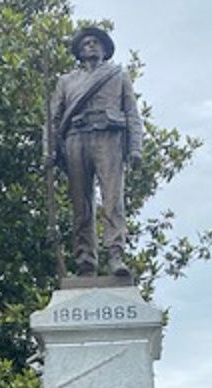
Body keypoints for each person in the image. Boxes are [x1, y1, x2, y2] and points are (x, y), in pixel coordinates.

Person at [47, 26, 143, 278]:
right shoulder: (66, 82)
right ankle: (85, 260)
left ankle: (115, 255)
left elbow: (132, 114)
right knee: (81, 205)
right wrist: (47, 151)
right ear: (79, 51)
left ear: (104, 49)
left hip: (108, 137)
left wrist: (135, 148)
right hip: (76, 140)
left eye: (96, 42)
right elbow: (52, 119)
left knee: (113, 200)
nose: (91, 45)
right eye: (86, 43)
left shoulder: (117, 76)